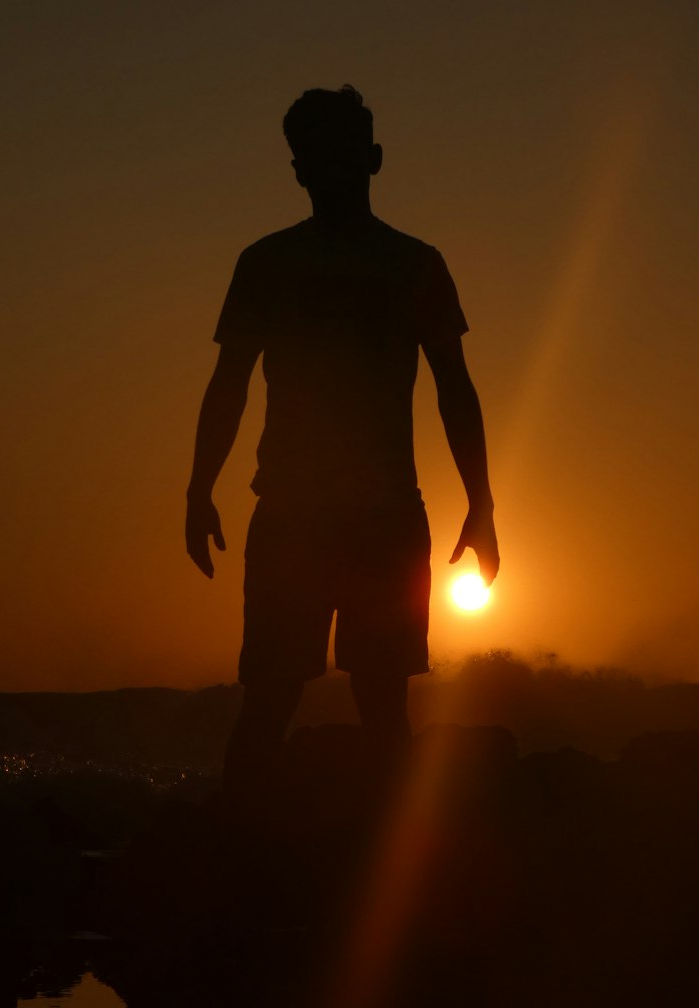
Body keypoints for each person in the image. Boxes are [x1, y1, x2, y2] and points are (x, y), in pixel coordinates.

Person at [186, 85, 499, 796]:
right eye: (317, 158)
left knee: (354, 705)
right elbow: (228, 383)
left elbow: (456, 388)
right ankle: (267, 866)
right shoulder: (283, 263)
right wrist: (197, 488)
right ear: (300, 169)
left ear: (372, 160)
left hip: (369, 514)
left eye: (339, 156)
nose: (327, 171)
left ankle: (313, 871)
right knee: (301, 702)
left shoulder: (403, 265)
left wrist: (481, 503)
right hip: (325, 514)